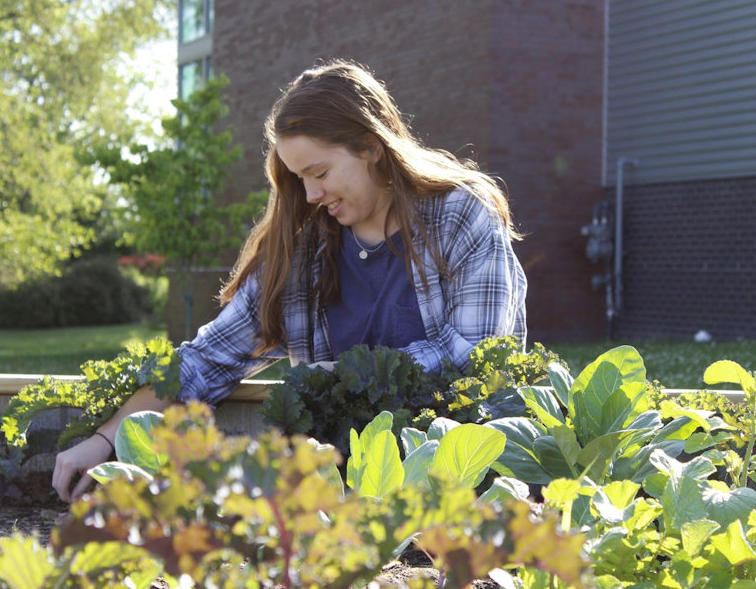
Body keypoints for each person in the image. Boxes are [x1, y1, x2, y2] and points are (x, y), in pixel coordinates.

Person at [52, 60, 527, 502]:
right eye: (299, 179)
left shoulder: (461, 216)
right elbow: (205, 362)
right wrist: (104, 439)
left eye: (319, 172)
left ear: (371, 147)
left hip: (459, 486)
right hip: (331, 495)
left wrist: (337, 377)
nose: (311, 194)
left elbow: (476, 353)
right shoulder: (306, 254)